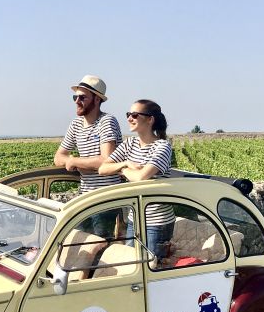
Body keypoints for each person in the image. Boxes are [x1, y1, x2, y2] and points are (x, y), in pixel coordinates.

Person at [98, 99, 175, 258]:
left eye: (134, 114)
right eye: (128, 114)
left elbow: (141, 177)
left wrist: (122, 170)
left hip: (157, 222)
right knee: (131, 262)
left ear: (150, 119)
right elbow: (102, 169)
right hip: (135, 217)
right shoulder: (130, 143)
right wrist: (126, 163)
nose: (129, 118)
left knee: (151, 268)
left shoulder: (162, 146)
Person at [54, 75, 123, 238]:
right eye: (75, 97)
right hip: (84, 198)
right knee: (78, 241)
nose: (77, 101)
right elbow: (58, 157)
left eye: (82, 97)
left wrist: (74, 161)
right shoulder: (76, 125)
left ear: (97, 100)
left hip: (105, 201)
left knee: (99, 247)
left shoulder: (107, 121)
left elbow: (106, 160)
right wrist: (77, 162)